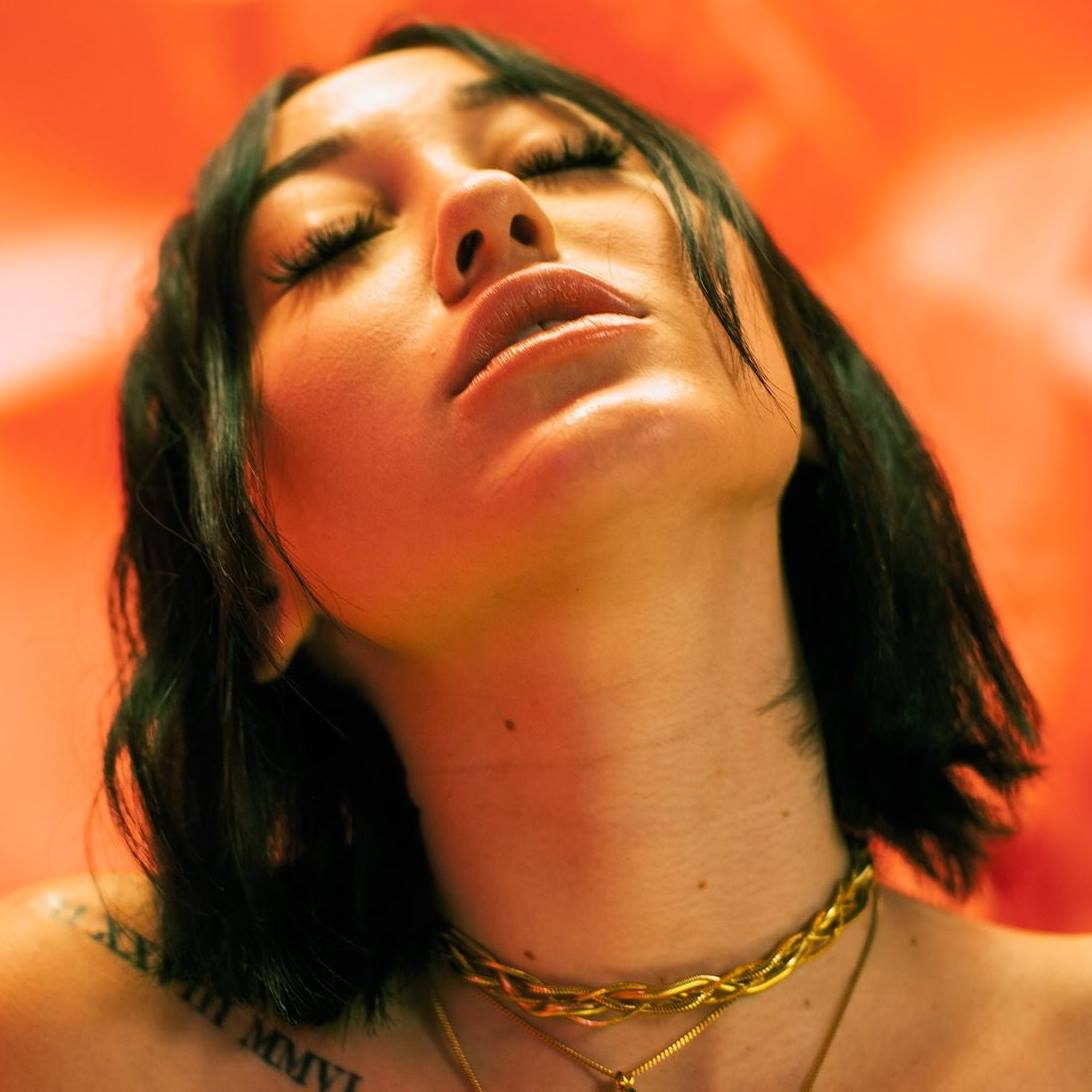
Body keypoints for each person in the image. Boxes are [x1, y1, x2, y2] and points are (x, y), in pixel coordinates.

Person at [1, 18, 1090, 1091]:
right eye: (332, 238)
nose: (487, 200)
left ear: (795, 375)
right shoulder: (68, 1033)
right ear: (250, 569)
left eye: (565, 157)